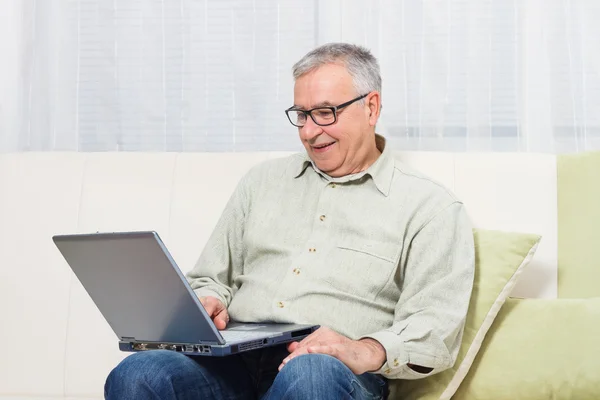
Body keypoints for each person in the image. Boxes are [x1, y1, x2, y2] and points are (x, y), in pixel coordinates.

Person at [104, 43, 475, 400]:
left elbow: (434, 330)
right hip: (232, 360)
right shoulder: (261, 182)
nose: (310, 132)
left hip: (330, 372)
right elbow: (212, 277)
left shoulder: (430, 206)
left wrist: (365, 349)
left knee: (310, 376)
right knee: (139, 373)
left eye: (326, 112)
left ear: (371, 107)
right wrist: (209, 299)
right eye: (301, 114)